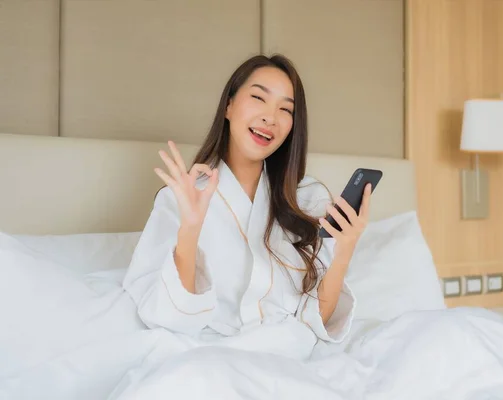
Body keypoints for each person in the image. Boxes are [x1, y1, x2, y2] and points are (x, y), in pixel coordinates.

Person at [122, 54, 372, 361]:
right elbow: (166, 317)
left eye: (285, 109)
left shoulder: (308, 199)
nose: (271, 117)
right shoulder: (181, 198)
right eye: (258, 98)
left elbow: (317, 319)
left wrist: (344, 252)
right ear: (228, 105)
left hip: (290, 359)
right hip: (212, 357)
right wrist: (190, 230)